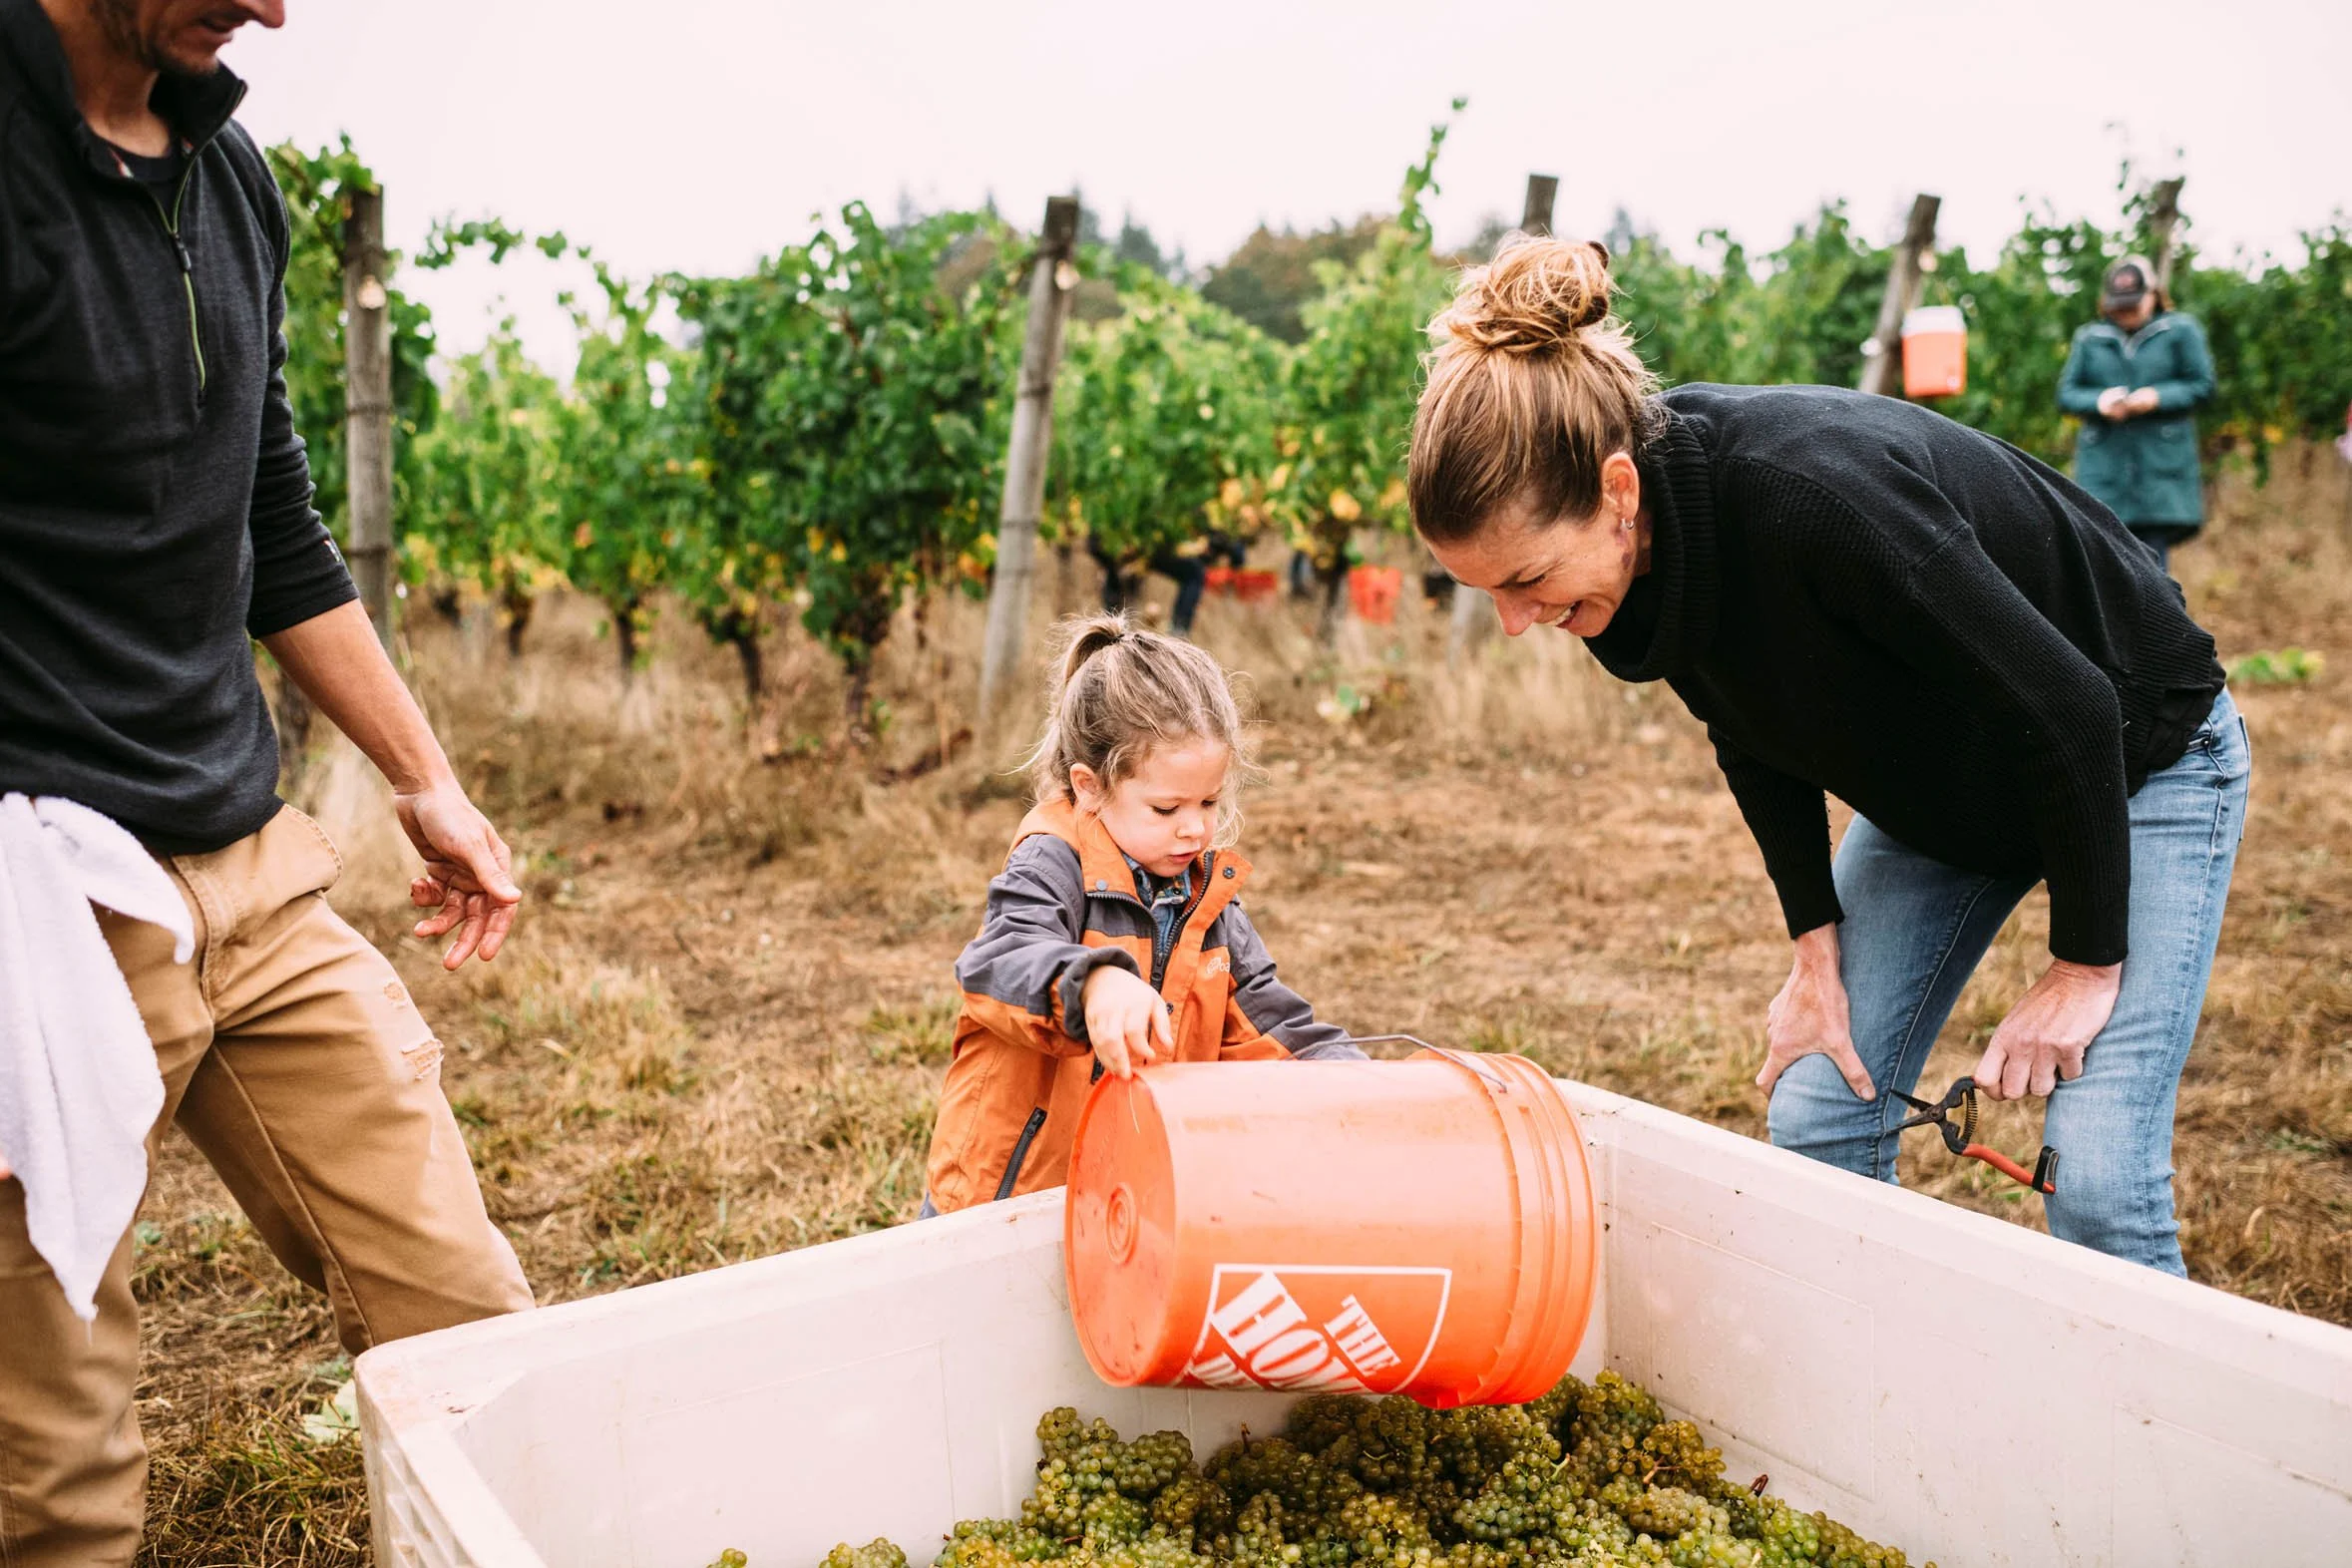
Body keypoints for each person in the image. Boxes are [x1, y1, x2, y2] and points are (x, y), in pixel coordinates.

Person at [1409, 236, 2248, 1275]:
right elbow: (1752, 730)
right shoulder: (1648, 564)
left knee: (2101, 1179)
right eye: (1485, 590)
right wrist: (1816, 944)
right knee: (1817, 1112)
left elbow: (2070, 707)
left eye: (1525, 579)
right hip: (1952, 780)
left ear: (1618, 492)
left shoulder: (1815, 497)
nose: (1514, 621)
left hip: (2135, 750)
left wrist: (2082, 965)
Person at [0, 1, 534, 1560]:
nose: (276, 8)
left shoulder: (230, 177)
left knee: (470, 1328)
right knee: (56, 1463)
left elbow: (274, 521)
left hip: (243, 859)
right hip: (40, 892)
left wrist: (422, 778)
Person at [923, 614, 1363, 1213]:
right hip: (1004, 1203)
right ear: (1090, 787)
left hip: (1126, 1193)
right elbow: (1000, 961)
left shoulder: (1208, 902)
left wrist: (1364, 1088)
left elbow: (1273, 1029)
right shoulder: (1052, 863)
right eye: (1166, 807)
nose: (1195, 827)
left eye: (1209, 801)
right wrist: (1094, 983)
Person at [2057, 255, 2217, 572]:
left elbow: (2203, 385)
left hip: (2159, 473)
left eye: (2133, 303)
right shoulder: (2089, 338)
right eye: (2119, 304)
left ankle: (2155, 622)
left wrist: (2156, 397)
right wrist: (2101, 402)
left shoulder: (2181, 331)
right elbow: (2066, 393)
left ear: (2153, 295)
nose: (2126, 312)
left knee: (2151, 568)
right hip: (2104, 471)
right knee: (2101, 562)